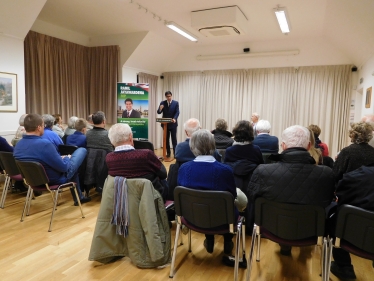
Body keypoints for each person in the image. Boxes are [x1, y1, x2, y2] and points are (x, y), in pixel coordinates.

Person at [248, 125, 335, 255]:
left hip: (272, 227)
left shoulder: (262, 171)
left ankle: (285, 244)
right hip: (311, 230)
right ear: (309, 145)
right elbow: (328, 200)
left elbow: (252, 198)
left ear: (283, 146)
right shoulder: (326, 173)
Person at [177, 129, 247, 257]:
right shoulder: (225, 170)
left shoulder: (184, 169)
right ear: (213, 146)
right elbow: (232, 196)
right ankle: (227, 240)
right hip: (223, 221)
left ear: (192, 147)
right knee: (225, 205)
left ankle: (209, 239)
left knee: (202, 202)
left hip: (192, 219)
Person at [13, 114, 91, 205]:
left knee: (74, 169)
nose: (43, 127)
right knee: (81, 150)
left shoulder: (18, 145)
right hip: (54, 180)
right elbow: (64, 167)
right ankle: (79, 197)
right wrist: (66, 158)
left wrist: (59, 159)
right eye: (43, 125)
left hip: (31, 181)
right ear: (39, 127)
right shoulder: (45, 145)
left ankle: (79, 198)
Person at [330, 161, 374, 279]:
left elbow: (340, 194)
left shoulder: (356, 176)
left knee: (337, 216)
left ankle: (344, 267)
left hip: (352, 235)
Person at [106, 123, 168, 201]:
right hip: (150, 199)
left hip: (123, 200)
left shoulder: (109, 158)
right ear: (130, 137)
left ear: (111, 141)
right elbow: (163, 174)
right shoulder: (146, 155)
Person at [157, 91, 179, 158]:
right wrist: (160, 109)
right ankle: (168, 153)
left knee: (174, 140)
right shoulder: (162, 103)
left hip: (173, 124)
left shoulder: (176, 103)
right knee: (166, 140)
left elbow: (177, 112)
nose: (168, 98)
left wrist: (175, 118)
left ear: (171, 96)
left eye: (169, 96)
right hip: (165, 125)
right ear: (166, 97)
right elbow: (158, 112)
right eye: (167, 96)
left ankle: (175, 154)